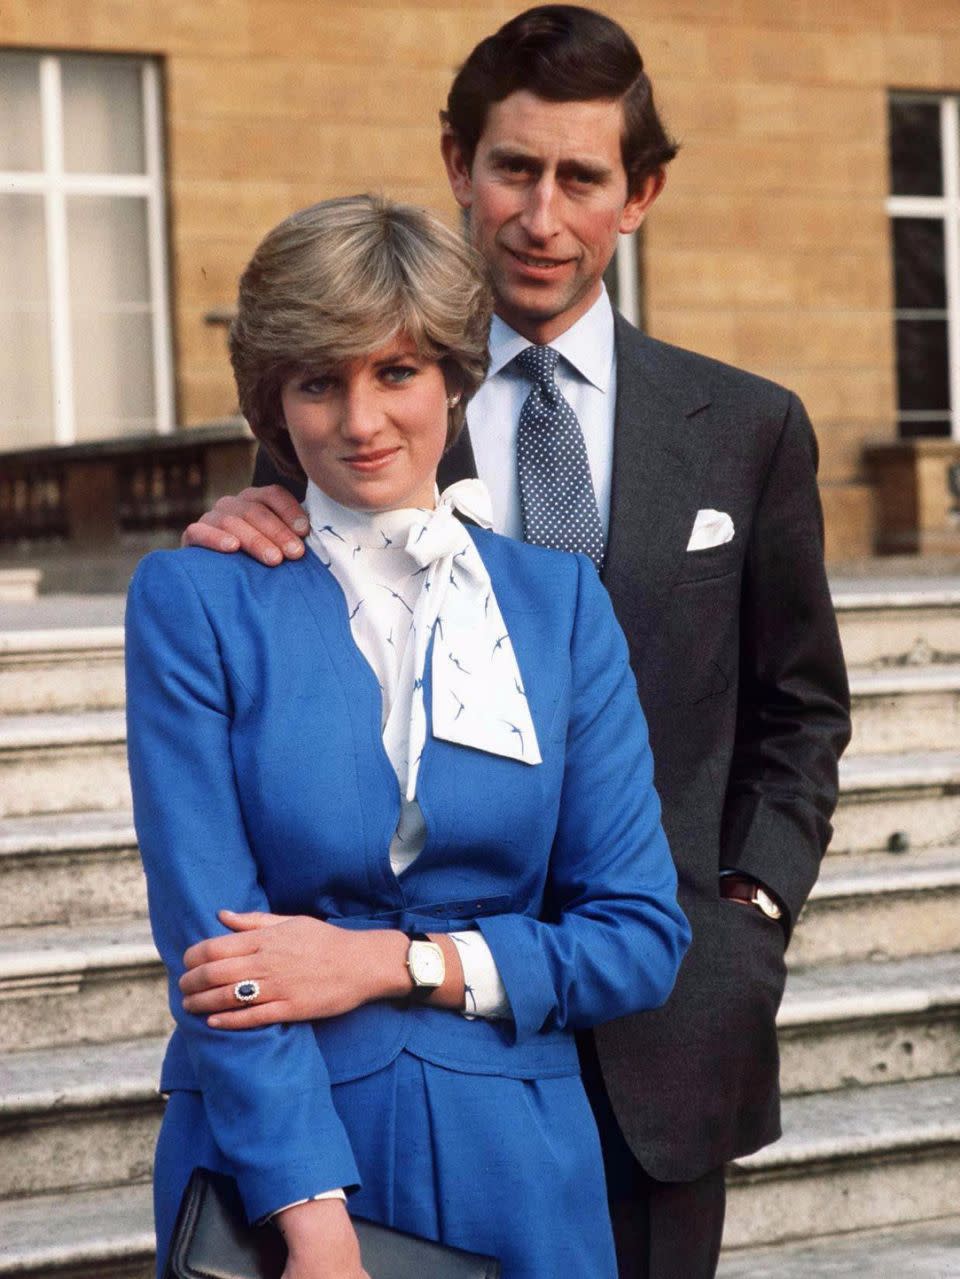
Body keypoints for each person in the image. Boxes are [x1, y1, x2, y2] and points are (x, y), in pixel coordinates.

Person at [182, 8, 851, 1277]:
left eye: (582, 178)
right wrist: (232, 517)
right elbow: (284, 621)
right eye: (514, 169)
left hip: (661, 1015)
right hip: (419, 1058)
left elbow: (801, 704)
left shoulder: (750, 428)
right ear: (458, 166)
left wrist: (750, 913)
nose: (542, 216)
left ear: (639, 194)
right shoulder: (368, 405)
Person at [127, 193, 690, 1279]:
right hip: (276, 1164)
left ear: (454, 376)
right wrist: (312, 1215)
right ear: (271, 401)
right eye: (318, 380)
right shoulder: (196, 600)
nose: (361, 419)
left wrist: (392, 961)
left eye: (395, 372)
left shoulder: (559, 606)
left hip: (518, 1164)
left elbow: (636, 935)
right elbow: (215, 951)